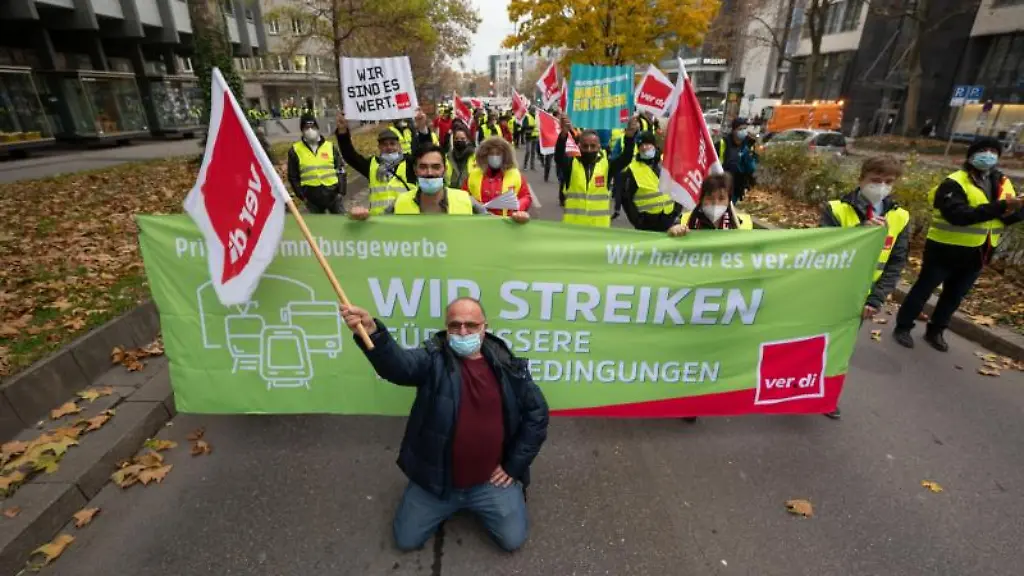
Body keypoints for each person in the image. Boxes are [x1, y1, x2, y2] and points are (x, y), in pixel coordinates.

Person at [340, 297, 549, 552]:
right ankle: (440, 503)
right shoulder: (433, 360)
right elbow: (398, 367)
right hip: (436, 483)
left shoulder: (507, 366)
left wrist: (513, 466)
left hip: (490, 483)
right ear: (447, 328)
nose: (463, 332)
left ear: (485, 327)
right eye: (455, 325)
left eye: (471, 325)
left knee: (513, 540)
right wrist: (372, 332)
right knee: (406, 540)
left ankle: (493, 498)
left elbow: (537, 415)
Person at [893, 137, 1024, 351]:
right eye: (984, 150)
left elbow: (1004, 217)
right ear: (971, 155)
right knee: (923, 290)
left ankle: (936, 331)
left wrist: (1018, 209)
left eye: (994, 151)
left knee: (954, 296)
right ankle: (903, 327)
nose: (989, 155)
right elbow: (959, 216)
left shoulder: (1001, 183)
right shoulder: (953, 183)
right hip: (944, 250)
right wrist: (1001, 206)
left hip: (979, 252)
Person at [820, 156, 909, 420]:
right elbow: (822, 247)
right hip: (827, 292)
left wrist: (876, 299)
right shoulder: (836, 209)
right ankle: (795, 386)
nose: (881, 186)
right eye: (875, 180)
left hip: (861, 299)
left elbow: (895, 262)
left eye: (888, 182)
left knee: (840, 348)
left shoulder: (900, 217)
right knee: (812, 343)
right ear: (861, 179)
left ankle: (827, 397)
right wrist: (859, 232)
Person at [349, 144, 531, 221]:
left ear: (444, 170)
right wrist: (361, 218)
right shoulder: (399, 203)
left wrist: (515, 222)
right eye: (424, 167)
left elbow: (494, 226)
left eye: (436, 167)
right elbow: (377, 228)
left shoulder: (466, 201)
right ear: (415, 170)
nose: (429, 173)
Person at [556, 115, 639, 227]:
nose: (589, 149)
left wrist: (629, 136)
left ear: (599, 147)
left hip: (599, 230)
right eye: (585, 146)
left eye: (593, 146)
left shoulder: (607, 165)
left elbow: (626, 158)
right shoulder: (571, 164)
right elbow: (558, 157)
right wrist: (563, 135)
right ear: (579, 146)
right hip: (573, 228)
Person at [336, 111, 426, 214]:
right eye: (384, 144)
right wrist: (342, 131)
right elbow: (350, 156)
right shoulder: (372, 165)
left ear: (399, 146)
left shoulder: (410, 163)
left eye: (392, 144)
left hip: (406, 219)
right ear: (379, 147)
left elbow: (424, 153)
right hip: (379, 221)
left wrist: (422, 128)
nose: (389, 147)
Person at [617, 131, 680, 231]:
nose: (644, 147)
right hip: (647, 224)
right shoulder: (632, 170)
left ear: (654, 145)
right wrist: (638, 221)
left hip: (670, 220)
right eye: (641, 145)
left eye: (647, 144)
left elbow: (678, 189)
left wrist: (676, 213)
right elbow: (627, 200)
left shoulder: (666, 163)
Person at [286, 113, 346, 214]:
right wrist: (302, 196)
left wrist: (341, 191)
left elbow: (340, 169)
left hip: (333, 195)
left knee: (342, 223)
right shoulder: (295, 150)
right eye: (306, 127)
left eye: (312, 126)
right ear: (302, 130)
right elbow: (293, 177)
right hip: (311, 198)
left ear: (317, 127)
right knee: (318, 227)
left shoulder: (330, 147)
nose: (310, 130)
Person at [668, 173, 753, 235]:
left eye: (721, 198)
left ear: (729, 201)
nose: (715, 203)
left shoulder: (744, 225)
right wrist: (673, 232)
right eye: (710, 197)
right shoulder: (684, 221)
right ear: (702, 199)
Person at [466, 137, 532, 216]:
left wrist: (518, 208)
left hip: (507, 223)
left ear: (504, 156)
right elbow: (464, 195)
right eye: (491, 154)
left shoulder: (515, 174)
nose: (494, 157)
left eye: (498, 154)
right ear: (485, 155)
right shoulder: (474, 174)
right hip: (479, 222)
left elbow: (525, 196)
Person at [718, 118, 758, 203]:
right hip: (722, 185)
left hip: (738, 187)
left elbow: (752, 168)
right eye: (740, 129)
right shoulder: (723, 143)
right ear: (733, 130)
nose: (743, 131)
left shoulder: (748, 145)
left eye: (745, 129)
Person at [446, 124, 476, 190]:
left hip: (469, 192)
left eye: (462, 139)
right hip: (452, 191)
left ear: (467, 140)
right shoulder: (448, 156)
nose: (459, 141)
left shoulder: (474, 156)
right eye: (456, 138)